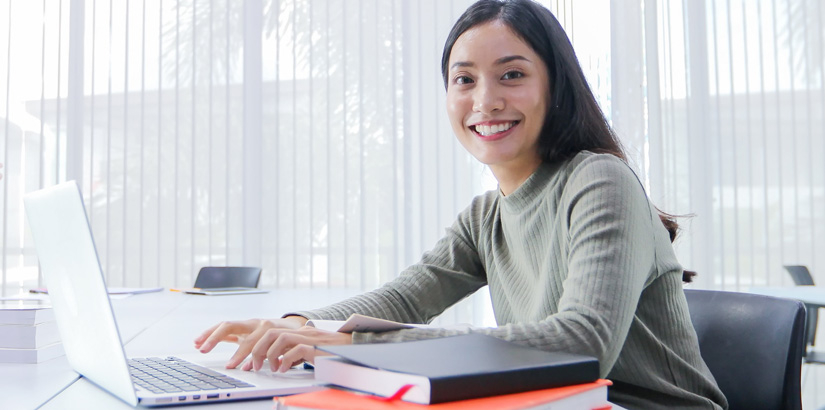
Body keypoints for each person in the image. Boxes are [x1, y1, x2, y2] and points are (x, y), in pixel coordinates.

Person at [195, 1, 727, 408]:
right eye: (464, 80)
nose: (485, 101)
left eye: (512, 75)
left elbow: (584, 341)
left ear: (554, 86)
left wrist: (351, 340)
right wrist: (292, 325)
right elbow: (403, 299)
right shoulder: (485, 216)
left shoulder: (598, 180)